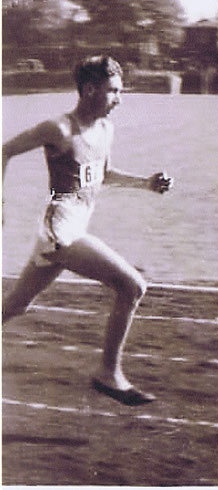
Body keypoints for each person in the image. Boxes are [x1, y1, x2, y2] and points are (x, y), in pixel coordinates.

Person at [2, 55, 173, 406]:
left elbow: (102, 174)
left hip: (73, 226)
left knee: (16, 305)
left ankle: (108, 372)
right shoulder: (58, 129)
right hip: (60, 231)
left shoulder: (106, 130)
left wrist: (147, 184)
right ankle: (108, 373)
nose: (119, 99)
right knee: (132, 285)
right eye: (113, 91)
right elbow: (4, 150)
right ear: (90, 89)